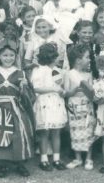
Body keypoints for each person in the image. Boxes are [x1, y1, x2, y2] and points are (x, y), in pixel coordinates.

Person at [0, 42, 35, 178]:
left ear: (15, 56)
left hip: (16, 108)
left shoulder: (20, 73)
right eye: (5, 55)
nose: (8, 58)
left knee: (18, 135)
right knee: (1, 134)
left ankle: (19, 163)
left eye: (11, 55)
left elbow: (27, 96)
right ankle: (2, 164)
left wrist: (24, 87)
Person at [31, 43, 68, 171]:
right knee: (44, 133)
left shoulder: (57, 70)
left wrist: (61, 91)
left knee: (56, 132)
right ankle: (44, 159)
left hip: (56, 103)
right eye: (58, 55)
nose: (60, 57)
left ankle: (57, 159)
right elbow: (36, 87)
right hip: (45, 103)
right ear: (51, 56)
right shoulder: (39, 70)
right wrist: (53, 89)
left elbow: (60, 86)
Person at [64, 44, 96, 170]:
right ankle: (77, 158)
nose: (89, 60)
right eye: (87, 57)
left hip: (87, 105)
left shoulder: (88, 74)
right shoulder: (69, 74)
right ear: (78, 60)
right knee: (75, 131)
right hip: (74, 106)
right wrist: (74, 90)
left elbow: (92, 91)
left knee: (89, 130)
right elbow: (66, 92)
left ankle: (89, 158)